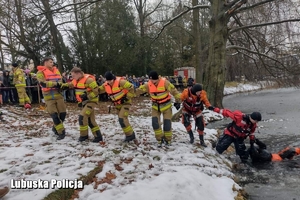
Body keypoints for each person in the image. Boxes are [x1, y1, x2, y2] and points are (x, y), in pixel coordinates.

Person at [135, 71, 181, 147]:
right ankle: (159, 138)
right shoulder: (148, 85)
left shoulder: (165, 83)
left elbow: (174, 91)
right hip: (155, 107)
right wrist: (129, 93)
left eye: (153, 80)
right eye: (150, 80)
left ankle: (168, 139)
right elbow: (139, 90)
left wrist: (178, 101)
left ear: (157, 79)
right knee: (155, 123)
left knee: (167, 124)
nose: (152, 81)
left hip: (166, 106)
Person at [66, 67, 103, 142]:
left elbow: (96, 91)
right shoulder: (75, 80)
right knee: (90, 120)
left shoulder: (89, 80)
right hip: (83, 103)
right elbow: (69, 85)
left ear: (78, 74)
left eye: (73, 76)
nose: (72, 77)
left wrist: (87, 96)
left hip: (91, 102)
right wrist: (58, 85)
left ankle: (84, 136)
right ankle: (98, 136)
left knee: (82, 117)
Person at [99, 71, 136, 142]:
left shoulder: (121, 82)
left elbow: (132, 88)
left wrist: (127, 98)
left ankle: (130, 135)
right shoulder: (106, 85)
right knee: (121, 120)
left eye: (111, 80)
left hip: (125, 103)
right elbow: (99, 90)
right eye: (108, 80)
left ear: (113, 78)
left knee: (122, 118)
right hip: (117, 104)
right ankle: (130, 134)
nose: (110, 82)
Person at [36, 57, 66, 140]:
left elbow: (60, 81)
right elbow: (42, 83)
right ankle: (61, 132)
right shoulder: (40, 72)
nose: (52, 63)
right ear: (45, 62)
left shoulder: (56, 70)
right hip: (48, 97)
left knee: (63, 114)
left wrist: (61, 85)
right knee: (54, 115)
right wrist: (55, 84)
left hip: (59, 96)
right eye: (50, 62)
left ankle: (55, 127)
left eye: (52, 62)